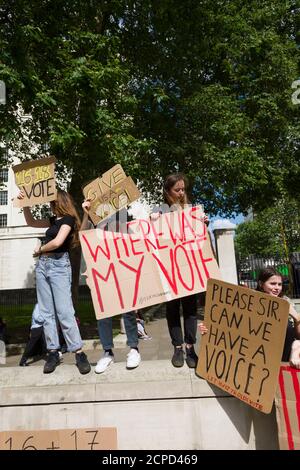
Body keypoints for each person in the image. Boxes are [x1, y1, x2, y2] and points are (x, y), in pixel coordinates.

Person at [18, 189, 91, 374]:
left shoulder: (68, 220)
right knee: (46, 312)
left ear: (59, 201)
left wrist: (40, 249)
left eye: (52, 201)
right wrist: (25, 204)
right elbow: (31, 222)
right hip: (43, 266)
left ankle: (79, 352)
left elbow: (58, 242)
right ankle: (53, 352)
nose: (49, 204)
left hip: (59, 266)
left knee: (64, 311)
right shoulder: (53, 220)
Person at [151, 173, 209, 369]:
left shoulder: (192, 210)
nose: (181, 192)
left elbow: (201, 238)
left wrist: (204, 224)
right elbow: (151, 239)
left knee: (191, 310)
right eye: (177, 189)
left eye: (183, 189)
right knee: (173, 309)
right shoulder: (159, 211)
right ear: (168, 191)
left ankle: (190, 347)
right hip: (169, 268)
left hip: (189, 266)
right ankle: (177, 347)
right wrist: (153, 222)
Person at [81, 200, 141, 373]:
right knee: (103, 313)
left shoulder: (120, 215)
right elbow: (83, 235)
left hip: (122, 268)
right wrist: (85, 213)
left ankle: (134, 349)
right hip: (101, 270)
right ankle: (108, 352)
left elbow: (133, 239)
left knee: (128, 310)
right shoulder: (92, 218)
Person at [199, 267, 300, 369]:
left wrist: (296, 317)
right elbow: (230, 326)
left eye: (280, 284)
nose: (277, 288)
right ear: (261, 284)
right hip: (256, 357)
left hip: (283, 357)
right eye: (272, 284)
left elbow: (298, 335)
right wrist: (208, 328)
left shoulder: (286, 302)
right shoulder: (249, 302)